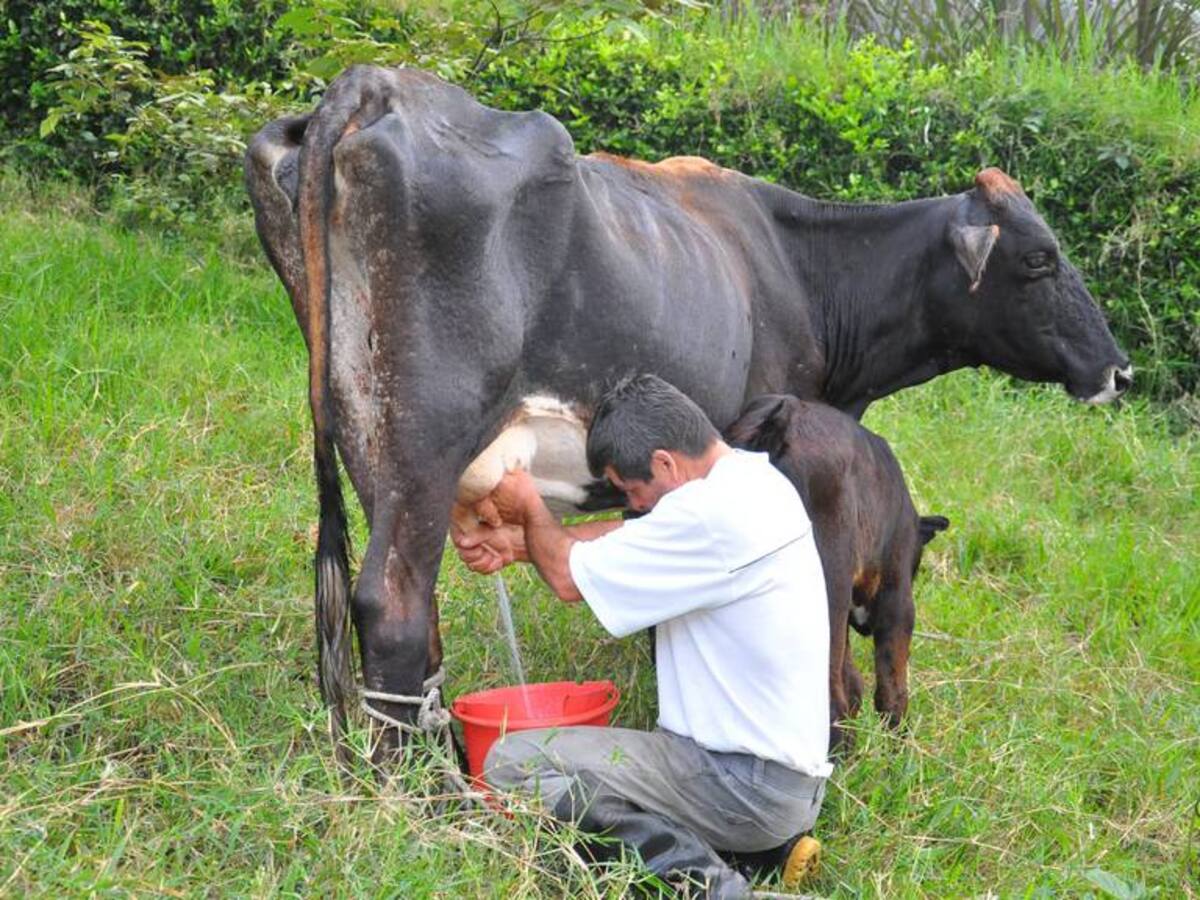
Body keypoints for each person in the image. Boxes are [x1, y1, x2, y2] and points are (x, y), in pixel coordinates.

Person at [453, 374, 831, 899]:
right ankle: (760, 854)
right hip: (783, 787)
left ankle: (714, 887)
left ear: (665, 464)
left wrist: (529, 506)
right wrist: (517, 544)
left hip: (741, 786)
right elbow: (630, 539)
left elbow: (566, 578)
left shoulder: (709, 517)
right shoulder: (754, 487)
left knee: (512, 762)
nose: (636, 505)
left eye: (633, 493)